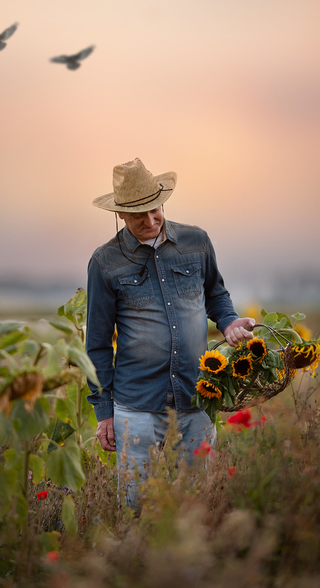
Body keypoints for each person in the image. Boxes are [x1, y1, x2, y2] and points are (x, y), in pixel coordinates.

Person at [86, 158, 254, 487]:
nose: (151, 220)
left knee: (196, 503)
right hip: (136, 406)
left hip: (196, 397)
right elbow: (98, 344)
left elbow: (216, 295)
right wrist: (104, 411)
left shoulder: (197, 242)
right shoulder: (105, 262)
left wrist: (230, 322)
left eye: (155, 209)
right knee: (137, 506)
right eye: (138, 215)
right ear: (120, 214)